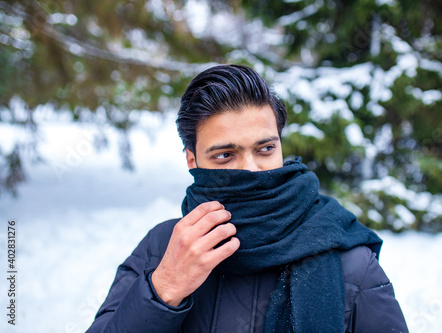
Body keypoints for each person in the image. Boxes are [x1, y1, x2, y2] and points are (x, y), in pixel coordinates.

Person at [87, 64, 408, 332]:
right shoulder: (162, 249)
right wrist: (163, 289)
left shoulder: (347, 259)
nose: (252, 170)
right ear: (192, 160)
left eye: (265, 149)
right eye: (226, 155)